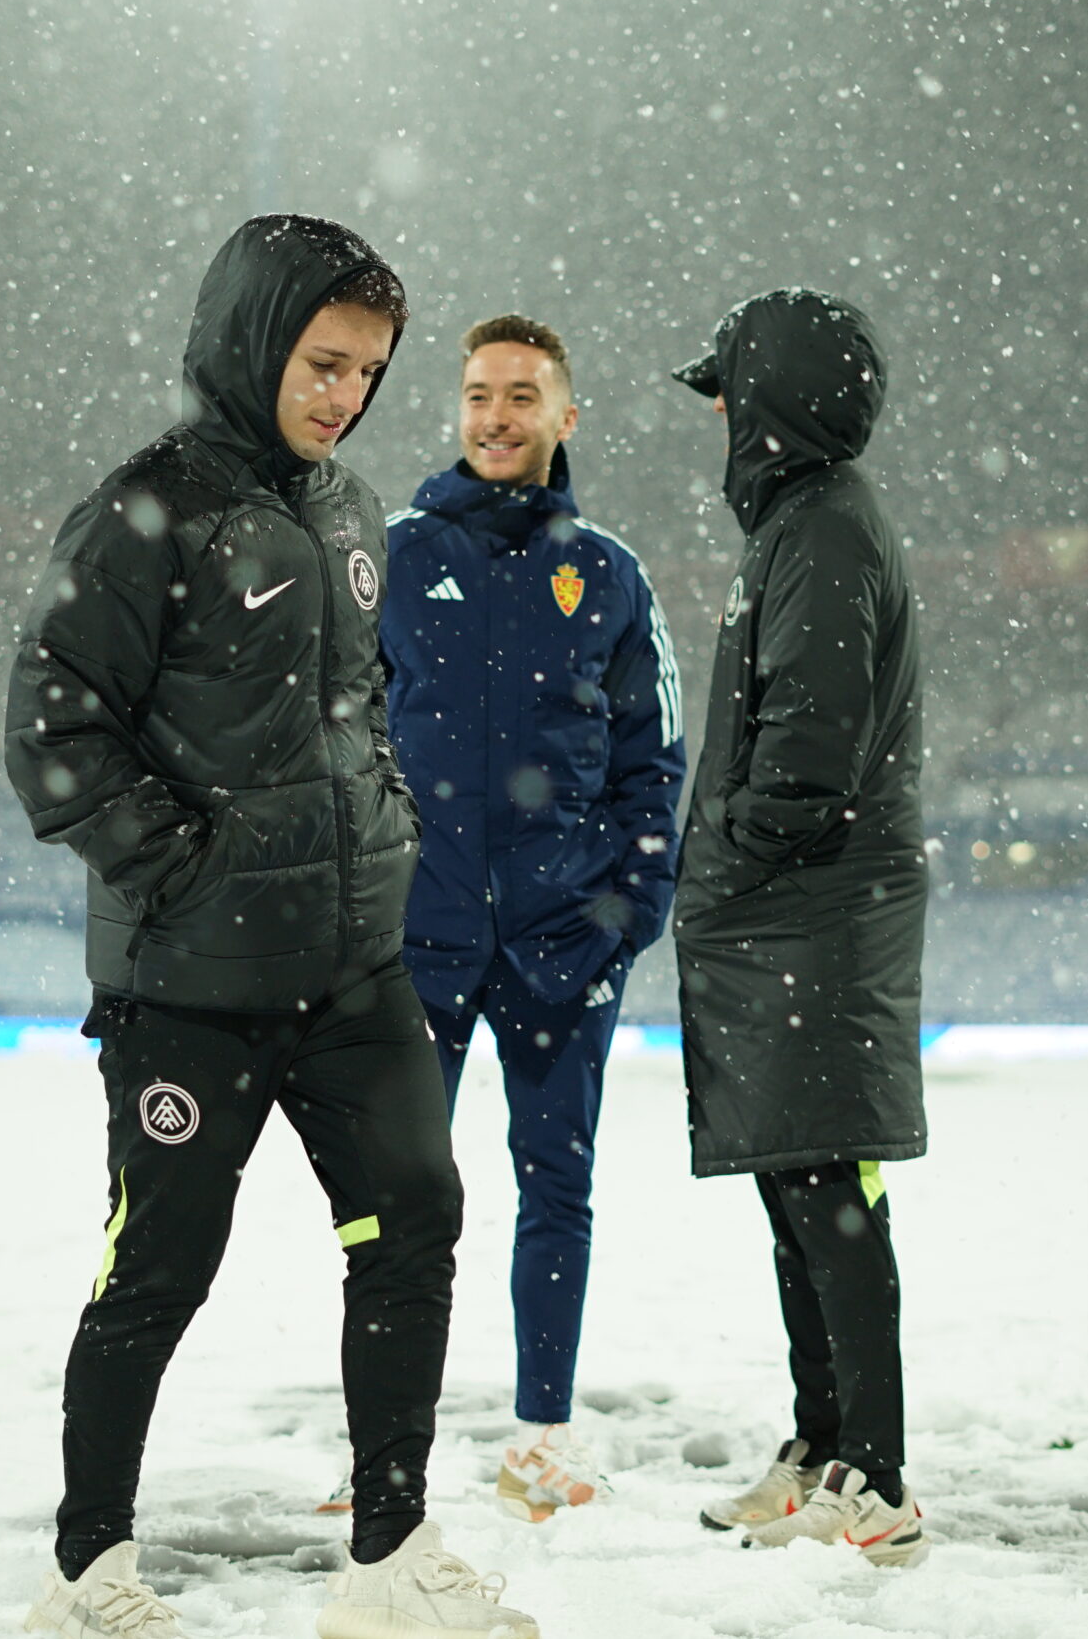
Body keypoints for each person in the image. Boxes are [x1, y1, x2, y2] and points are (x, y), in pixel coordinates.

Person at [5, 213, 539, 1639]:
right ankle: (89, 1564)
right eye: (322, 360)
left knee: (416, 1213)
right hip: (190, 981)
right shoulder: (146, 510)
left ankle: (387, 1554)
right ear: (256, 341)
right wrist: (184, 871)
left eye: (367, 369)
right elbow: (52, 729)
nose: (344, 394)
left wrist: (386, 828)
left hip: (353, 964)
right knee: (161, 1267)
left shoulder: (349, 511)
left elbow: (355, 712)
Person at [377, 314, 686, 1523]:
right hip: (422, 937)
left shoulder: (607, 572)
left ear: (567, 418)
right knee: (400, 1202)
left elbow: (652, 761)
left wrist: (620, 913)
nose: (495, 417)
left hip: (565, 943)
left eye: (521, 396)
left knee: (556, 1185)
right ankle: (382, 1449)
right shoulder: (392, 554)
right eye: (476, 395)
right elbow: (338, 729)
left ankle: (540, 1441)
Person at [669, 289, 930, 1568]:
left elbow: (807, 757)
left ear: (765, 398)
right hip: (789, 915)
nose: (715, 411)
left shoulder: (824, 530)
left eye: (727, 388)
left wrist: (728, 857)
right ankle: (824, 1444)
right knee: (798, 1185)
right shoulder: (801, 525)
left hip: (811, 915)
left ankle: (872, 1475)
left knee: (828, 1192)